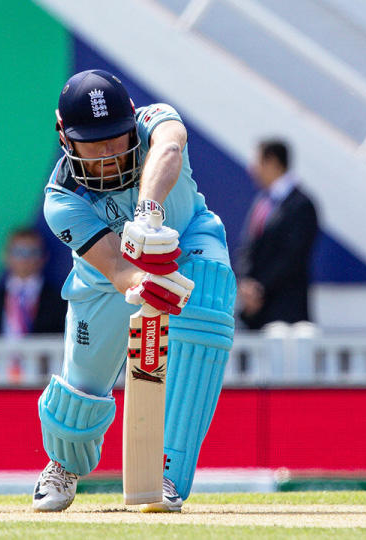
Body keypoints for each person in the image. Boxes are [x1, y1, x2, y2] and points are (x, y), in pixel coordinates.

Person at [31, 70, 237, 513]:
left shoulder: (156, 122)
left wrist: (148, 213)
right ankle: (63, 464)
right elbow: (119, 270)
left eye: (115, 137)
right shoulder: (61, 200)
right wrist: (145, 285)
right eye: (93, 141)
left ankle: (167, 473)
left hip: (188, 240)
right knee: (82, 388)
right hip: (105, 278)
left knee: (208, 298)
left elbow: (170, 143)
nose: (107, 152)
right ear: (65, 137)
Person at [236, 139, 318, 330]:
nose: (252, 169)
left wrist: (260, 287)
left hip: (286, 313)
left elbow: (292, 256)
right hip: (255, 313)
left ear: (272, 161)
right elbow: (248, 246)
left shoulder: (302, 205)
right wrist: (246, 284)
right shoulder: (262, 202)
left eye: (256, 162)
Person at [0, 228, 66, 337]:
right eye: (18, 252)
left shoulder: (60, 303)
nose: (25, 259)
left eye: (33, 252)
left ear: (44, 257)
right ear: (6, 256)